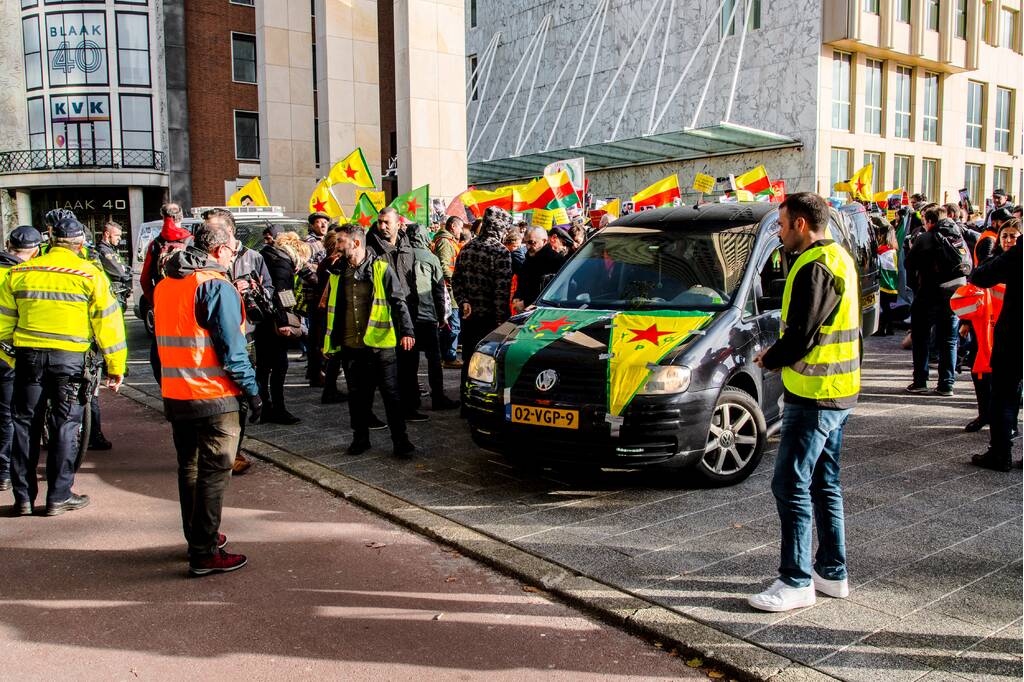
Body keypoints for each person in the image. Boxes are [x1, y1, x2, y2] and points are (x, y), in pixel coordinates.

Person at [749, 192, 860, 612]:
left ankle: (795, 581)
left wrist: (769, 357)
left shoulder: (813, 266)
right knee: (823, 483)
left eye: (780, 225)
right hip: (838, 391)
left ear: (799, 224)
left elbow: (801, 336)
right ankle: (832, 572)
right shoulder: (840, 257)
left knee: (790, 483)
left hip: (813, 395)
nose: (778, 233)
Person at [154, 221, 262, 575]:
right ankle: (204, 551)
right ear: (220, 251)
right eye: (233, 248)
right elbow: (233, 350)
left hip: (176, 391)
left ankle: (198, 536)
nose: (234, 254)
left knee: (189, 467)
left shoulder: (168, 283)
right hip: (214, 394)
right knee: (215, 472)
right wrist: (253, 391)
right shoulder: (216, 286)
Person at [0, 218, 126, 517]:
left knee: (24, 426)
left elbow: (3, 322)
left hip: (28, 359)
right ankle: (58, 496)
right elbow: (109, 324)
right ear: (80, 245)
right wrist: (115, 366)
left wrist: (10, 358)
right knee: (65, 427)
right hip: (69, 361)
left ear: (50, 242)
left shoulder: (20, 273)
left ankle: (24, 499)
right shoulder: (90, 274)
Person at [322, 224, 416, 458]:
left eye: (341, 241)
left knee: (391, 395)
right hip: (351, 345)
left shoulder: (381, 268)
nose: (337, 246)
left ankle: (401, 441)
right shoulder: (337, 273)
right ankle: (360, 439)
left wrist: (408, 332)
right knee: (357, 396)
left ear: (355, 243)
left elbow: (398, 302)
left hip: (380, 346)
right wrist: (329, 343)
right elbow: (333, 310)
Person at [969, 234, 1021, 472]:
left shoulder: (1018, 253)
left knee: (1004, 395)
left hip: (1015, 334)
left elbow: (981, 275)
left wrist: (993, 255)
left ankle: (1000, 454)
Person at [904, 206, 966, 396]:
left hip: (928, 294)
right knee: (949, 340)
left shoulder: (925, 238)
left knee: (921, 338)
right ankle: (947, 384)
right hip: (954, 294)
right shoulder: (958, 235)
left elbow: (909, 264)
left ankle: (920, 381)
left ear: (928, 221)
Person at [452, 207, 513, 392]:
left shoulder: (467, 248)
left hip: (469, 316)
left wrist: (463, 301)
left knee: (469, 359)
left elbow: (456, 280)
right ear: (500, 227)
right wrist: (503, 321)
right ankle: (481, 401)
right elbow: (501, 291)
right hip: (491, 319)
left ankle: (466, 398)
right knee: (487, 363)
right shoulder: (500, 252)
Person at [0, 226, 42, 492]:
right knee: (11, 414)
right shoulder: (25, 275)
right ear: (36, 251)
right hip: (13, 352)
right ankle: (5, 471)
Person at [404, 224, 459, 411]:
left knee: (409, 362)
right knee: (434, 359)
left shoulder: (401, 255)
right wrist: (442, 315)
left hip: (407, 318)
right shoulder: (431, 257)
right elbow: (438, 290)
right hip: (427, 316)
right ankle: (438, 397)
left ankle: (411, 399)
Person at [256, 227, 302, 424]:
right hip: (274, 322)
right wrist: (286, 319)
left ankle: (265, 407)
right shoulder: (281, 264)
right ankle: (277, 409)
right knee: (279, 366)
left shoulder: (266, 255)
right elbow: (283, 293)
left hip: (262, 320)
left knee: (264, 367)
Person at [432, 216, 463, 368]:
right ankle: (449, 358)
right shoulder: (445, 242)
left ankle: (448, 355)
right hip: (450, 291)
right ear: (452, 227)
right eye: (460, 227)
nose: (461, 231)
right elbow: (444, 267)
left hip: (450, 289)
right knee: (452, 326)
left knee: (450, 325)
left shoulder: (447, 241)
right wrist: (455, 283)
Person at [512, 226, 565, 313]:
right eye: (526, 242)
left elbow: (552, 291)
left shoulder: (556, 260)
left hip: (544, 312)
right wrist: (517, 297)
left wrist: (526, 303)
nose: (528, 246)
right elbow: (522, 282)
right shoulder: (528, 259)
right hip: (524, 310)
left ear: (544, 241)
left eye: (532, 242)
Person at [874, 222, 898, 336]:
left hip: (886, 281)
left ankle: (882, 328)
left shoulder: (886, 251)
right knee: (885, 305)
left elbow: (884, 266)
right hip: (889, 280)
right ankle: (889, 327)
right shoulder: (889, 250)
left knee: (884, 306)